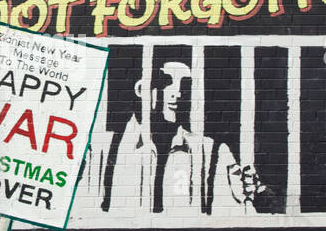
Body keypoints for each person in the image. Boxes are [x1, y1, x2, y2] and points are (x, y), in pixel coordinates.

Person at [112, 61, 273, 214]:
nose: (178, 92)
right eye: (167, 81)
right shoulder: (105, 150)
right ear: (141, 89)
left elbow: (229, 218)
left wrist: (250, 196)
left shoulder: (212, 151)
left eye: (186, 83)